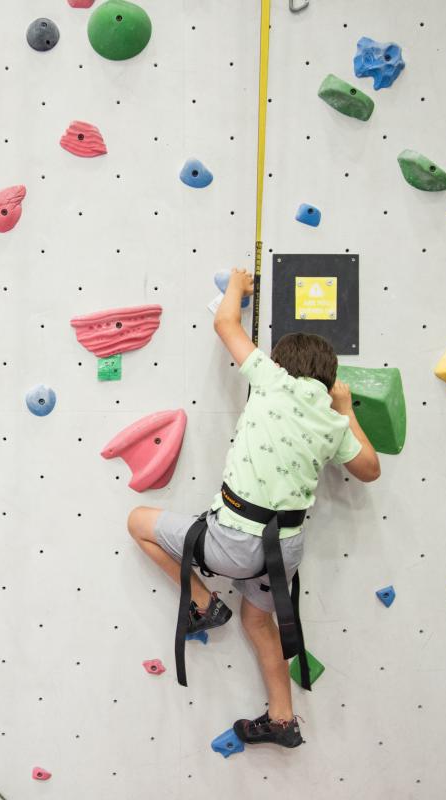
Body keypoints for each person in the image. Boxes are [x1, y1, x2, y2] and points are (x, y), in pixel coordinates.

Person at [127, 267, 381, 748]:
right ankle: (283, 720)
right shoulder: (331, 420)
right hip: (282, 554)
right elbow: (369, 469)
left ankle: (203, 604)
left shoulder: (271, 380)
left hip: (234, 542)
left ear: (282, 364)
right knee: (258, 621)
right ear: (329, 381)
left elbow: (226, 325)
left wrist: (240, 288)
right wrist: (345, 409)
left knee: (138, 522)